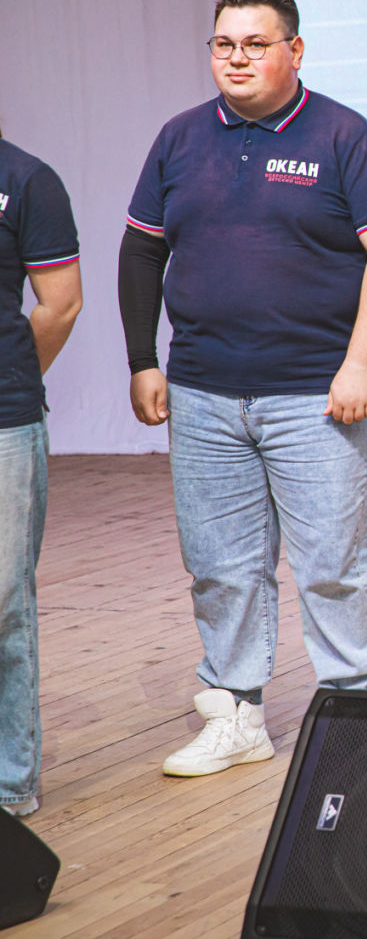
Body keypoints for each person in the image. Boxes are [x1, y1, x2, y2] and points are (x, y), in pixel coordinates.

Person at [118, 0, 367, 776]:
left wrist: (360, 362)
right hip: (203, 391)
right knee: (221, 566)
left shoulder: (345, 136)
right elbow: (142, 249)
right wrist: (144, 359)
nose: (238, 58)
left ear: (295, 50)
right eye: (224, 44)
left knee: (332, 567)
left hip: (317, 393)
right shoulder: (180, 138)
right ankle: (238, 714)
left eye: (255, 43)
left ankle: (355, 717)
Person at [0, 135, 81, 818]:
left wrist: (13, 374)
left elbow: (60, 304)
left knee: (2, 603)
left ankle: (8, 786)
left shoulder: (27, 179)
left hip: (3, 418)